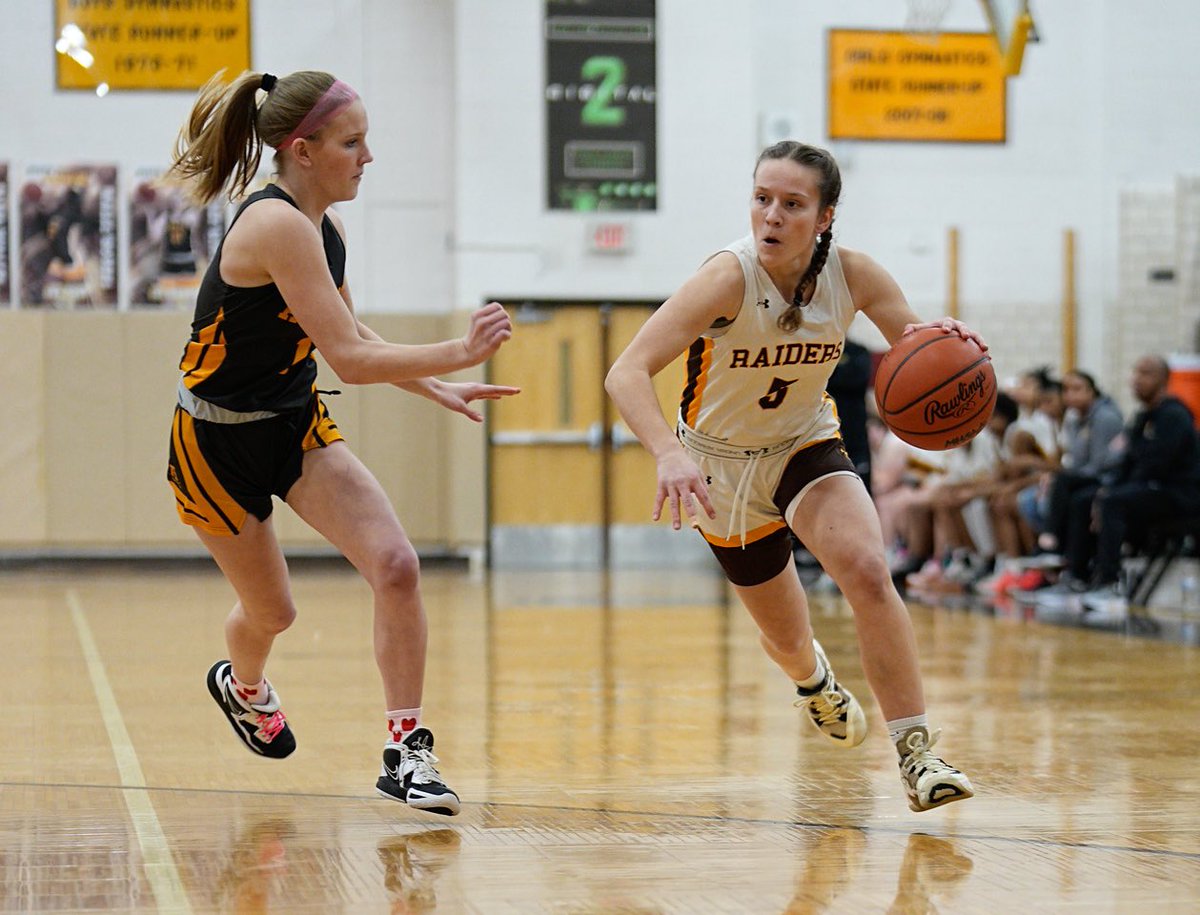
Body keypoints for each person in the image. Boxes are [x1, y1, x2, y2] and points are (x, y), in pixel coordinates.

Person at [165, 70, 519, 817]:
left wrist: (436, 387)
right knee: (274, 613)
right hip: (214, 443)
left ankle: (406, 752)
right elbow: (354, 365)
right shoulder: (275, 226)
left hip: (293, 422)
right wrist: (457, 351)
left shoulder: (324, 229)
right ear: (303, 150)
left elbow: (354, 340)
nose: (367, 157)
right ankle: (244, 686)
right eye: (353, 143)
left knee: (395, 564)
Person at [605, 140, 980, 812]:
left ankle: (919, 753)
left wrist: (949, 345)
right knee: (785, 638)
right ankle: (815, 684)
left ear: (825, 216)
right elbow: (625, 371)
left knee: (867, 569)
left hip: (805, 445)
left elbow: (920, 351)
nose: (772, 215)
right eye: (762, 199)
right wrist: (667, 450)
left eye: (792, 204)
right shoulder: (725, 278)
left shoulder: (856, 275)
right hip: (718, 466)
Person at [1074, 356, 1200, 616]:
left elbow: (1156, 467)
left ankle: (1110, 583)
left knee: (1113, 502)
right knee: (1087, 497)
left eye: (1145, 373)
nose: (1136, 379)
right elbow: (1127, 464)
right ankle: (1076, 576)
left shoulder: (1174, 415)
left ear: (1164, 380)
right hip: (1150, 489)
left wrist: (1111, 494)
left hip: (1178, 495)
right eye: (1135, 372)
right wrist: (1105, 490)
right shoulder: (1143, 417)